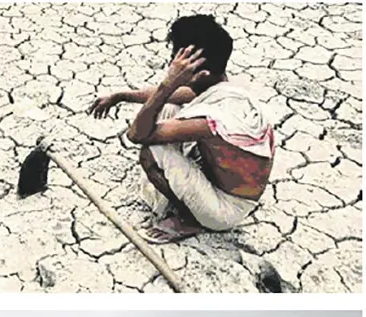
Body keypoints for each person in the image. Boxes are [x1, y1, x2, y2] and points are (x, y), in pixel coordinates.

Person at [87, 15, 275, 244]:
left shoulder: (213, 119)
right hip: (222, 180)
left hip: (225, 209)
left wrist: (170, 82)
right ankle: (188, 198)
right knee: (169, 107)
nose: (172, 66)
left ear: (201, 73)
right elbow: (175, 97)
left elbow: (136, 135)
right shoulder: (221, 86)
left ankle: (189, 219)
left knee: (151, 152)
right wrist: (121, 96)